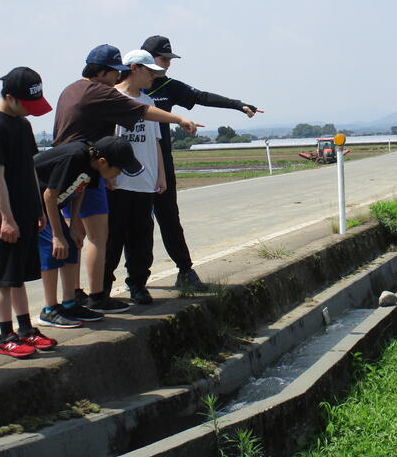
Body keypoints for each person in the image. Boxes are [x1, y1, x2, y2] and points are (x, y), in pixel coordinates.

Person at [52, 44, 202, 313]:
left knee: (95, 235)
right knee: (100, 238)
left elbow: (154, 139)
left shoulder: (73, 89)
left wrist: (159, 174)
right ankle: (96, 294)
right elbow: (140, 113)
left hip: (84, 171)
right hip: (100, 175)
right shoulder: (103, 93)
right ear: (104, 72)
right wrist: (179, 119)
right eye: (114, 71)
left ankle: (80, 295)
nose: (116, 76)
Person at [141, 35, 263, 290]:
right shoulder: (121, 87)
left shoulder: (168, 86)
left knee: (169, 218)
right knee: (136, 224)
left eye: (169, 59)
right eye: (163, 59)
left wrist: (238, 105)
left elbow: (203, 97)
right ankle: (133, 283)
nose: (167, 64)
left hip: (162, 161)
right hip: (132, 165)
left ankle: (185, 271)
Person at [0, 67, 57, 358]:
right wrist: (7, 218)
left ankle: (25, 329)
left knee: (20, 275)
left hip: (27, 211)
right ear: (10, 97)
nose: (29, 111)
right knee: (5, 277)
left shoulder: (22, 124)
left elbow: (30, 169)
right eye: (26, 104)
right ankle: (5, 335)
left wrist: (38, 208)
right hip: (7, 217)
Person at [34, 136, 144, 327]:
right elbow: (49, 196)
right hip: (32, 203)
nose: (118, 174)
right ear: (103, 162)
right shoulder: (75, 158)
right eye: (119, 169)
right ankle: (49, 310)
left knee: (70, 246)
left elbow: (80, 190)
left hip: (49, 205)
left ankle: (69, 304)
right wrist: (57, 235)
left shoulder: (93, 167)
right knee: (53, 250)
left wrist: (73, 225)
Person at [105, 50, 167, 305]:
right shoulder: (111, 98)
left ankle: (138, 284)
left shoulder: (148, 101)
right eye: (149, 71)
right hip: (118, 182)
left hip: (145, 182)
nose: (153, 76)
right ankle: (103, 288)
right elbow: (106, 141)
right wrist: (107, 175)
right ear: (134, 68)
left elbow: (155, 141)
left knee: (141, 238)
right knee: (112, 238)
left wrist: (161, 174)